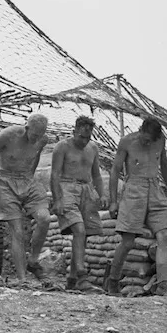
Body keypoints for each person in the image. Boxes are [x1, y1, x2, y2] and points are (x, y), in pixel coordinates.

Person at [106, 116, 167, 297]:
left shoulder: (160, 141)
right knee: (128, 241)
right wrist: (113, 200)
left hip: (155, 189)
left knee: (164, 235)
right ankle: (112, 282)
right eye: (144, 139)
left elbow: (164, 164)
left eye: (150, 141)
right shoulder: (127, 142)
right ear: (141, 130)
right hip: (133, 190)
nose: (147, 143)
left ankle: (163, 285)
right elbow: (115, 170)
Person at [0, 113, 51, 285]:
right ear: (26, 129)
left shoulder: (43, 140)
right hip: (5, 181)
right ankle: (22, 279)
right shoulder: (8, 135)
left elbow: (36, 156)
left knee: (44, 218)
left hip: (27, 179)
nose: (36, 139)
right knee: (16, 231)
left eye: (40, 136)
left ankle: (33, 260)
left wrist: (30, 178)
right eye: (34, 135)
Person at [50, 116, 108, 292]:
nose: (84, 141)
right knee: (79, 230)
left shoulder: (92, 148)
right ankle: (83, 276)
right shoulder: (62, 147)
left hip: (87, 190)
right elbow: (54, 174)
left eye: (88, 137)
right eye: (81, 137)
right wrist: (58, 198)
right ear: (74, 131)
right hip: (67, 188)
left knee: (85, 235)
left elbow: (96, 174)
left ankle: (72, 278)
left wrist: (102, 193)